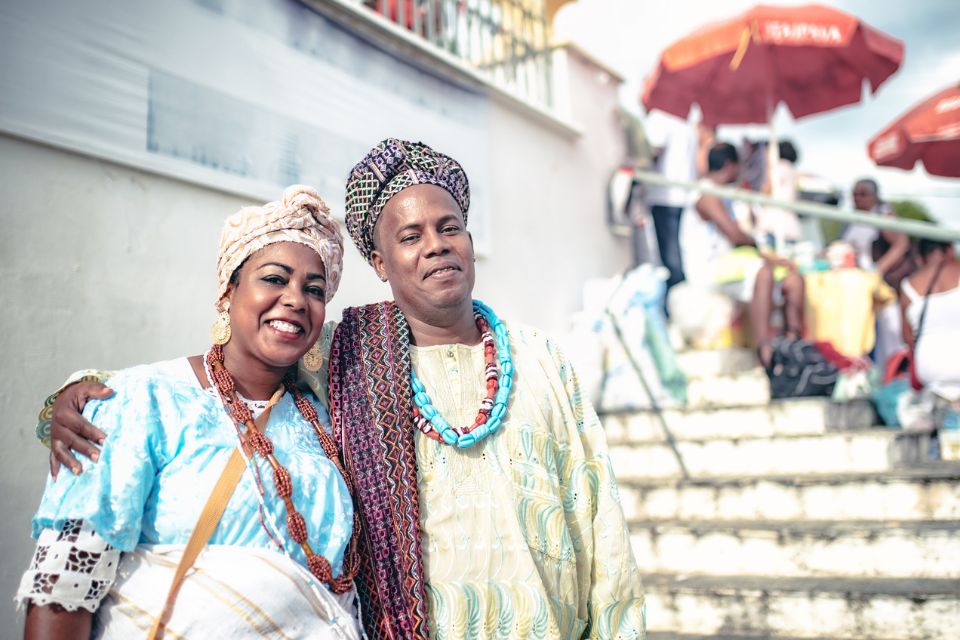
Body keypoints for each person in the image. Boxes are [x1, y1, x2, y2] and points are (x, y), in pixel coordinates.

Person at [44, 139, 647, 639]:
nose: (435, 244)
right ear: (380, 264)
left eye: (449, 227)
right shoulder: (344, 357)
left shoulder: (542, 360)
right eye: (409, 237)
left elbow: (600, 524)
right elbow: (231, 366)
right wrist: (79, 393)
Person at [18, 186, 363, 639]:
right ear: (229, 290)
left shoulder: (324, 421)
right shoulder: (142, 401)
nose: (296, 299)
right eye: (274, 279)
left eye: (314, 290)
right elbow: (63, 592)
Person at [679, 142, 805, 364]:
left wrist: (775, 259)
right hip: (708, 270)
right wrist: (762, 252)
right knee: (762, 273)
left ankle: (793, 346)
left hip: (733, 265)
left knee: (793, 280)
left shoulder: (724, 196)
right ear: (730, 165)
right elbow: (736, 237)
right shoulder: (706, 194)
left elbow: (743, 243)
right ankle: (765, 352)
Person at [643, 112, 711, 292]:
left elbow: (651, 151)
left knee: (669, 261)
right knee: (678, 258)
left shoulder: (660, 118)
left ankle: (676, 302)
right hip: (682, 197)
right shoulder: (686, 124)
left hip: (664, 196)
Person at [900, 238, 960, 402]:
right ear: (950, 250)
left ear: (921, 257)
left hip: (929, 368)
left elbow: (907, 338)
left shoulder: (909, 285)